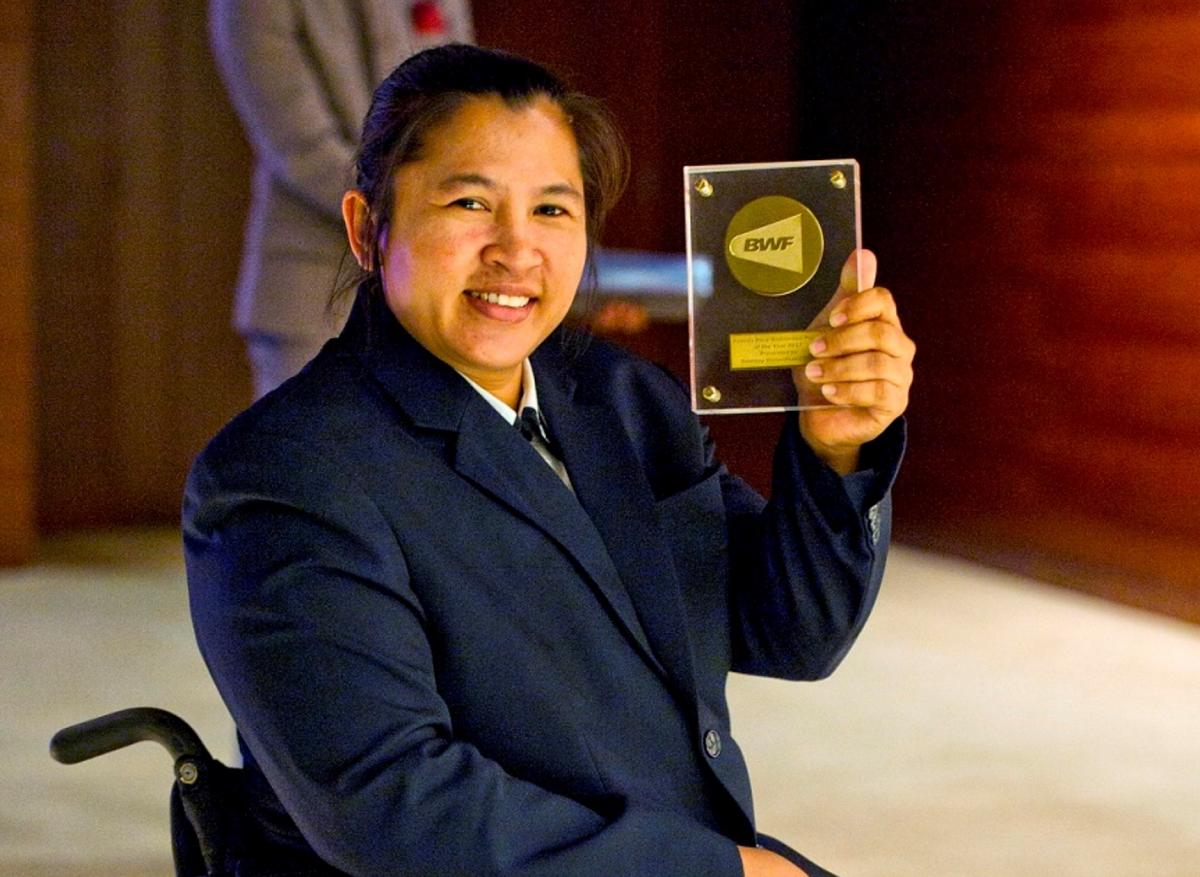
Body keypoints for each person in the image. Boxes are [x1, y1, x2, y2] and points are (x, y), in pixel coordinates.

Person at [184, 45, 915, 877]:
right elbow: (397, 807)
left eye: (553, 212)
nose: (515, 249)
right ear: (366, 227)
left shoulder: (623, 400)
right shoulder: (283, 473)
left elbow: (792, 631)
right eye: (469, 202)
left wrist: (836, 445)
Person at [209, 0, 475, 398]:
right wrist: (427, 207)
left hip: (434, 286)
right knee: (311, 453)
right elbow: (302, 148)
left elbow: (468, 109)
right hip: (314, 292)